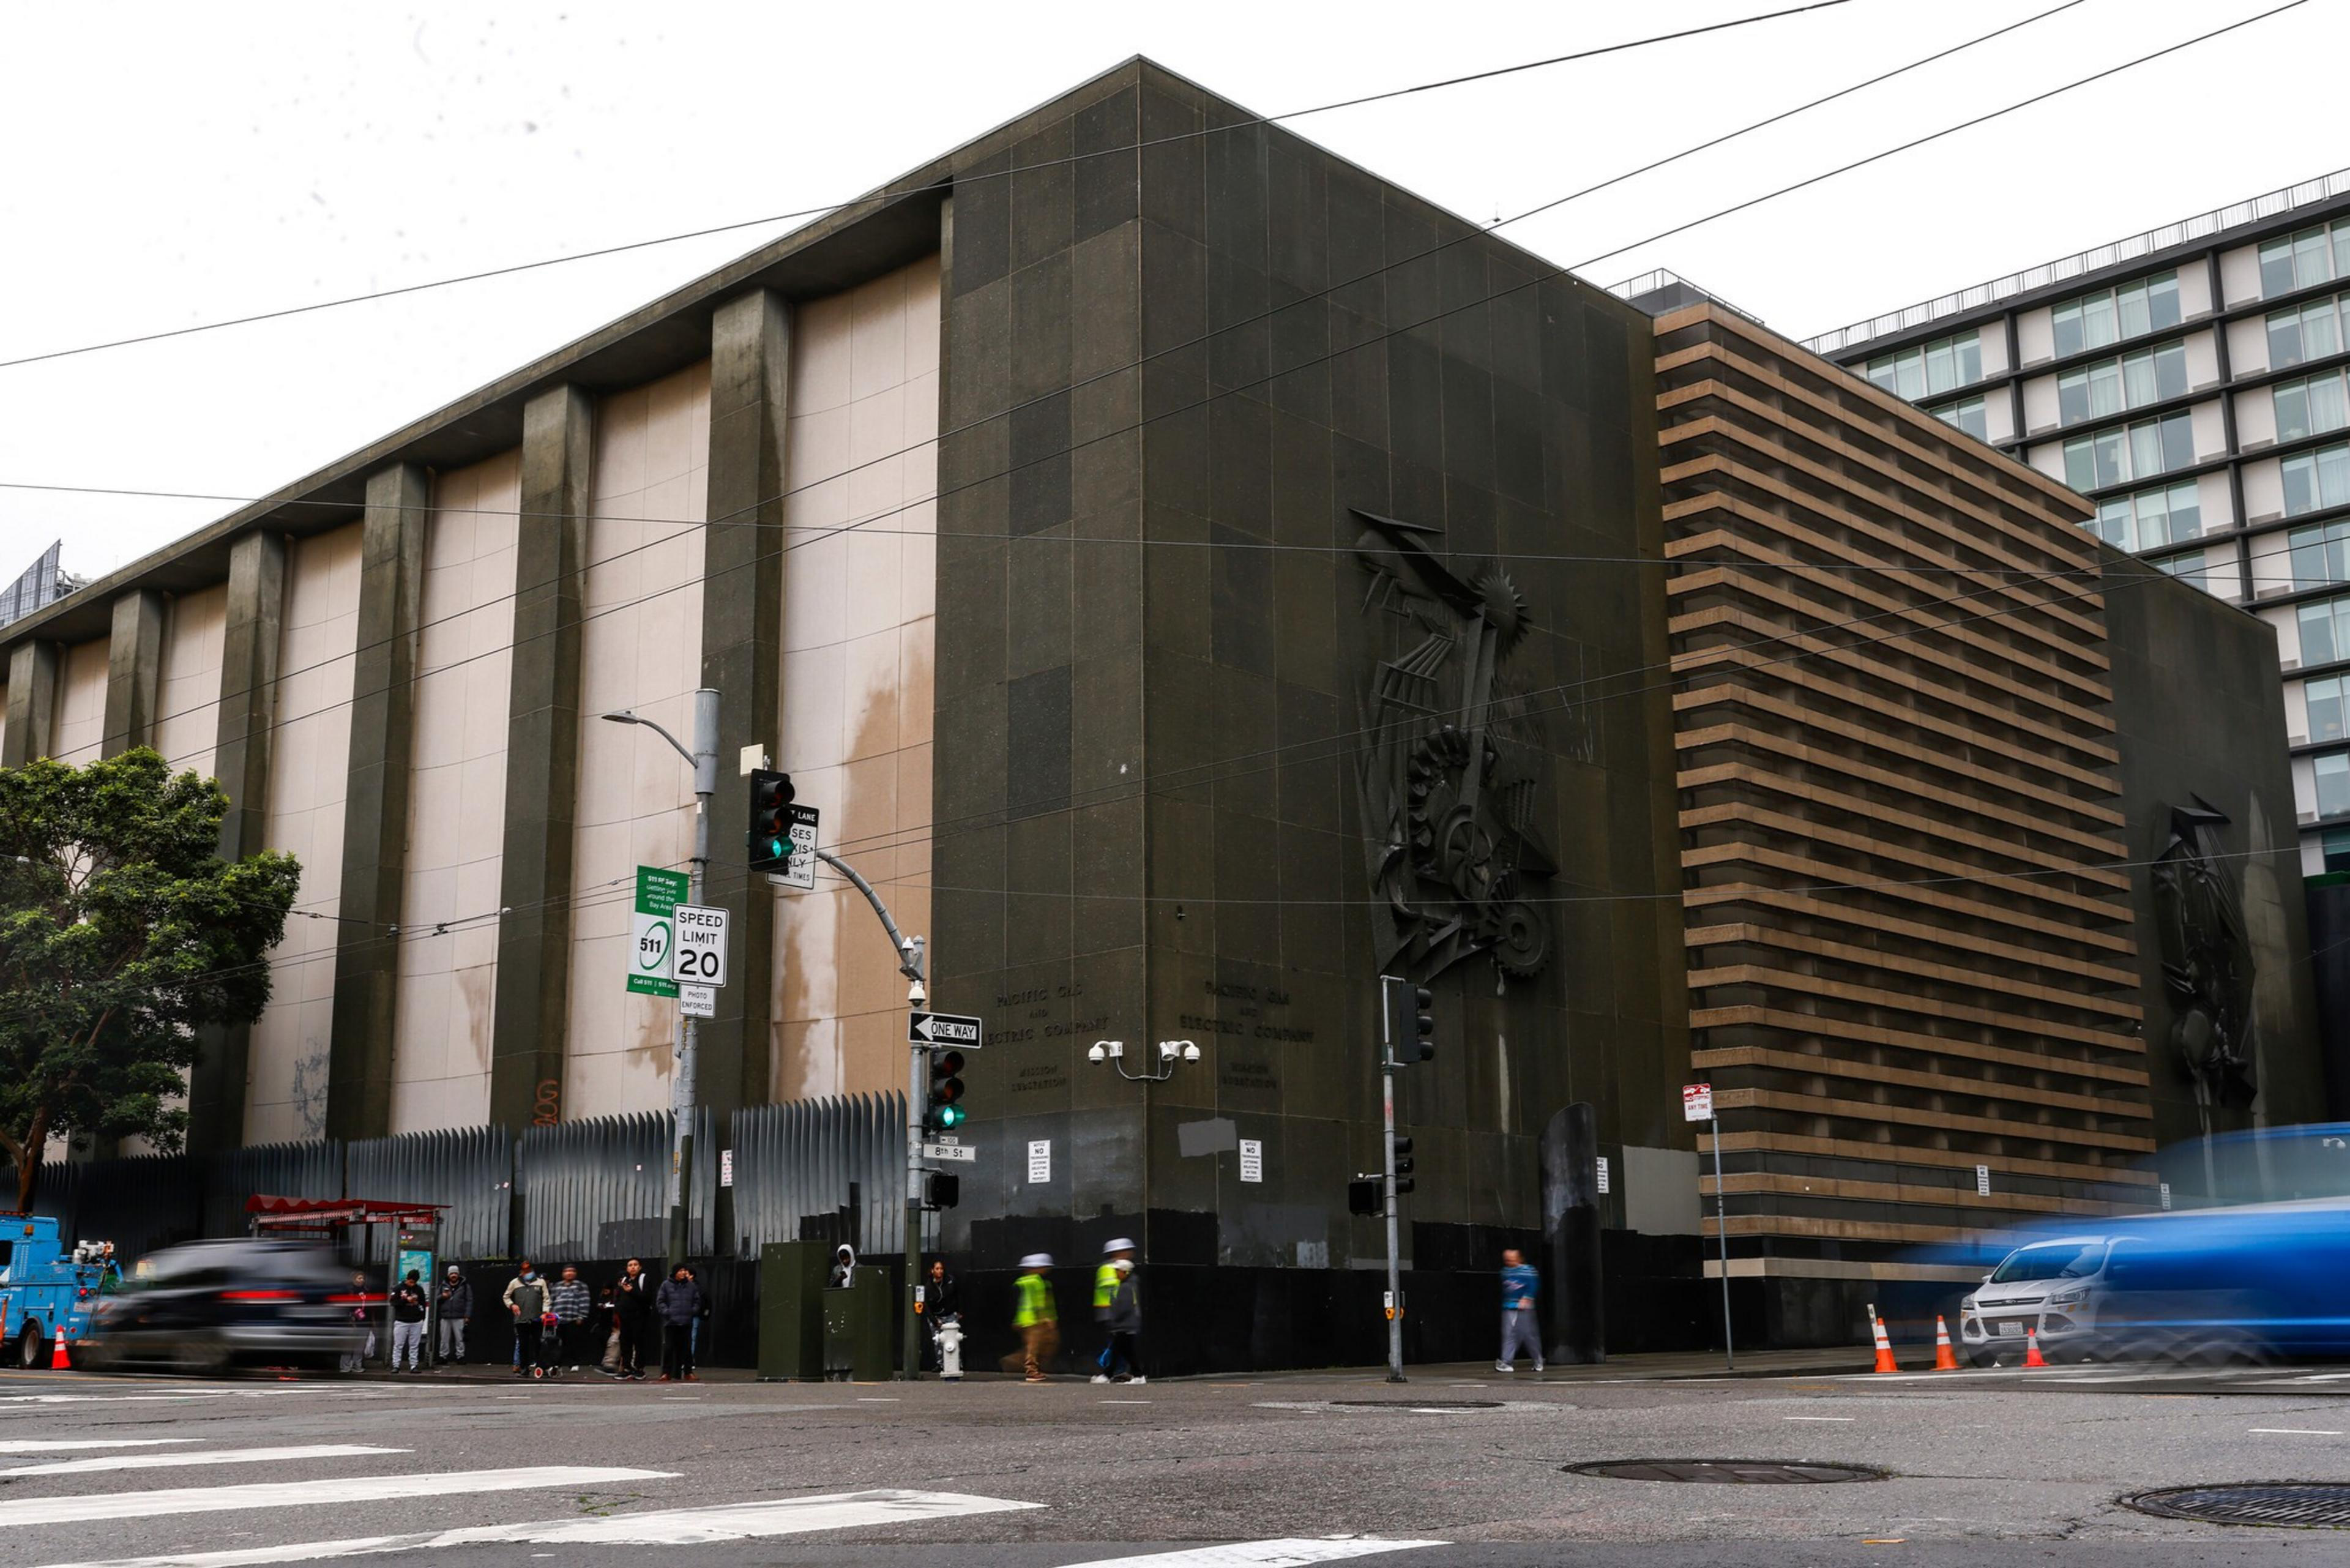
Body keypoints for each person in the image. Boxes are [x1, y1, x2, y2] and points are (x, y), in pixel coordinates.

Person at [1091, 1238, 1135, 1384]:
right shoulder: (1108, 1268)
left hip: (1118, 1311)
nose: (1130, 1254)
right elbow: (1110, 1285)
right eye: (1126, 1251)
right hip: (1109, 1311)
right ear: (1117, 1253)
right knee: (1116, 1343)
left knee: (1119, 1343)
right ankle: (1104, 1368)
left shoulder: (1120, 1268)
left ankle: (1117, 1371)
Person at [1012, 1253, 1058, 1383]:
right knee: (1034, 1348)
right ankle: (1031, 1371)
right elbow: (1038, 1303)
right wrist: (1046, 1319)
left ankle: (1016, 1363)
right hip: (1034, 1321)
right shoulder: (1036, 1282)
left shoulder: (1022, 1282)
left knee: (1036, 1346)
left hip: (1025, 1319)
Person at [1496, 1247, 1543, 1374]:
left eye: (1512, 1259)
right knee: (1509, 1334)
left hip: (1524, 1308)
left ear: (1519, 1259)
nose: (1510, 1262)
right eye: (1507, 1260)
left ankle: (1538, 1360)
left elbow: (1533, 1286)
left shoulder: (1528, 1271)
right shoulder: (1505, 1272)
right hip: (1509, 1307)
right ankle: (1507, 1362)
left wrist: (1527, 1298)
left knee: (1528, 1335)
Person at [504, 1260, 554, 1379]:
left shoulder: (540, 1282)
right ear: (521, 1272)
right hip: (521, 1319)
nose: (527, 1273)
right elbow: (506, 1296)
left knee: (539, 1343)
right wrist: (512, 1305)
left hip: (537, 1319)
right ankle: (524, 1368)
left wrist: (544, 1312)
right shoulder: (514, 1283)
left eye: (529, 1270)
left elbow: (546, 1298)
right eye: (525, 1271)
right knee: (523, 1345)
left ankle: (541, 1367)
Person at [656, 1263, 703, 1383]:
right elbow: (660, 1301)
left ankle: (688, 1372)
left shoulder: (691, 1286)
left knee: (687, 1349)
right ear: (675, 1272)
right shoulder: (666, 1285)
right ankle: (666, 1372)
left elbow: (697, 1301)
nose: (683, 1273)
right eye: (681, 1271)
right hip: (671, 1322)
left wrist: (692, 1311)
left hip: (686, 1321)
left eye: (684, 1271)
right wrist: (667, 1312)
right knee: (669, 1348)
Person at [611, 1258, 655, 1381]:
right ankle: (626, 1368)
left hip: (640, 1317)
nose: (633, 1267)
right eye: (630, 1265)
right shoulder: (624, 1280)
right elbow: (618, 1297)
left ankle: (639, 1369)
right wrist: (619, 1311)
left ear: (640, 1267)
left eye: (636, 1265)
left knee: (639, 1343)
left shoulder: (644, 1279)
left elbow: (647, 1297)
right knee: (625, 1343)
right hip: (625, 1318)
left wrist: (632, 1291)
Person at [1103, 1255, 1144, 1384]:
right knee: (1123, 1351)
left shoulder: (1126, 1287)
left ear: (1125, 1272)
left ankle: (1137, 1376)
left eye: (1118, 1270)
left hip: (1125, 1325)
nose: (1116, 1273)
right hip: (1126, 1325)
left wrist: (1114, 1319)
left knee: (1123, 1351)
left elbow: (1125, 1307)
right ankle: (1108, 1375)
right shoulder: (1127, 1285)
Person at [551, 1264, 594, 1373]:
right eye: (567, 1271)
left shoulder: (581, 1286)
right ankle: (557, 1364)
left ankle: (574, 1363)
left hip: (573, 1318)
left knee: (573, 1342)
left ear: (575, 1273)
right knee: (558, 1343)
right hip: (558, 1320)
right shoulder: (557, 1286)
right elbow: (551, 1301)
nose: (569, 1273)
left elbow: (585, 1301)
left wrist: (582, 1316)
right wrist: (551, 1315)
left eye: (572, 1271)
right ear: (563, 1274)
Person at [922, 1259, 959, 1373]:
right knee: (938, 1342)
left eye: (941, 1269)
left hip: (950, 1314)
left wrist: (959, 1311)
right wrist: (934, 1320)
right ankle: (941, 1364)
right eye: (937, 1269)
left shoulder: (950, 1281)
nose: (940, 1271)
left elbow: (957, 1295)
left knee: (954, 1339)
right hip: (937, 1316)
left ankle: (956, 1363)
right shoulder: (928, 1287)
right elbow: (926, 1306)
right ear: (932, 1271)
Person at [389, 1270, 428, 1373]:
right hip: (402, 1321)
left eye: (414, 1282)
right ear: (407, 1279)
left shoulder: (419, 1289)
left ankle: (414, 1365)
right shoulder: (398, 1288)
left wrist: (422, 1317)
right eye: (411, 1281)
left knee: (414, 1345)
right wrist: (406, 1300)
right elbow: (393, 1303)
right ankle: (396, 1365)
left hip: (416, 1321)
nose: (412, 1284)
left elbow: (423, 1304)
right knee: (398, 1344)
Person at [435, 1265, 472, 1365]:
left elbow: (469, 1301)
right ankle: (443, 1356)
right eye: (452, 1273)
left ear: (458, 1274)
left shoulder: (465, 1286)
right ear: (449, 1275)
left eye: (455, 1273)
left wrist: (467, 1315)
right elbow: (435, 1299)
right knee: (444, 1338)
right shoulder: (443, 1286)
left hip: (459, 1316)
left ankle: (460, 1356)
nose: (454, 1275)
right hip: (445, 1316)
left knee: (460, 1338)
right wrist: (443, 1296)